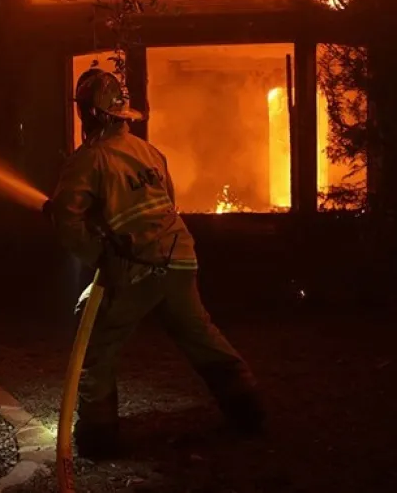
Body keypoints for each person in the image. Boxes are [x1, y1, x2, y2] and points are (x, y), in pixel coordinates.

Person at [44, 68, 264, 459]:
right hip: (179, 258)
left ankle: (98, 436)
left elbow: (67, 219)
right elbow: (166, 205)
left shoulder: (90, 159)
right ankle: (248, 410)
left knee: (96, 341)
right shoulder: (149, 151)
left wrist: (101, 257)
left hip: (135, 267)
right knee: (200, 335)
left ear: (90, 114)